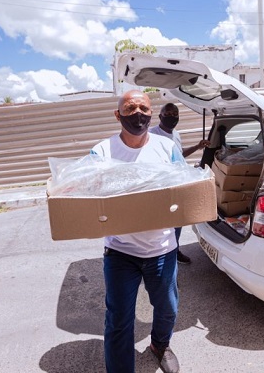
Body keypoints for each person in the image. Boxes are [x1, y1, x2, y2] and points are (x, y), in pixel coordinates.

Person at [91, 90, 183, 373]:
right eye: (130, 109)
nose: (138, 114)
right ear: (118, 115)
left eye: (143, 108)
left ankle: (159, 344)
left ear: (151, 113)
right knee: (119, 319)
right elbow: (88, 193)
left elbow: (185, 190)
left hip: (162, 249)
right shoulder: (103, 151)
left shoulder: (166, 148)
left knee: (167, 309)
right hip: (121, 251)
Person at [149, 102, 210, 265]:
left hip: (176, 184)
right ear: (159, 116)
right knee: (161, 224)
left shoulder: (176, 134)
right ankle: (160, 256)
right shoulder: (151, 134)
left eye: (174, 114)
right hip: (159, 186)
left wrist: (198, 146)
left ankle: (174, 251)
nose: (171, 117)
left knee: (177, 221)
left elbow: (179, 155)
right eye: (167, 114)